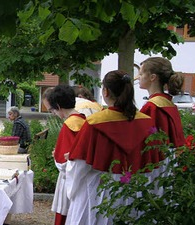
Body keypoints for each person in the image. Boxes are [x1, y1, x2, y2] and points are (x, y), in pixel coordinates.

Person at [65, 70, 155, 225]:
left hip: (99, 192)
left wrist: (71, 190)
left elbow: (79, 167)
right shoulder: (147, 123)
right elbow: (152, 166)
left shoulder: (94, 123)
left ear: (105, 91)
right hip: (134, 192)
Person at [42, 85, 86, 225]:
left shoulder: (69, 125)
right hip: (83, 178)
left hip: (70, 179)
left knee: (66, 215)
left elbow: (63, 162)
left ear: (59, 106)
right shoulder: (84, 120)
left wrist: (57, 155)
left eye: (53, 110)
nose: (54, 114)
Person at [138, 57, 186, 148]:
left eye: (141, 74)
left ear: (152, 77)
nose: (138, 77)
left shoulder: (151, 106)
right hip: (171, 157)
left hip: (157, 159)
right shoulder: (169, 104)